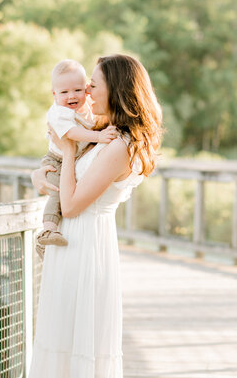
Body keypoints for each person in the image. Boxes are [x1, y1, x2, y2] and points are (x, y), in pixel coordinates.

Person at [29, 54, 162, 378]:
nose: (86, 90)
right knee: (60, 338)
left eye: (93, 84)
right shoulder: (103, 131)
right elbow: (64, 171)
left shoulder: (120, 144)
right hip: (72, 244)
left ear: (114, 89)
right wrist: (39, 173)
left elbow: (72, 205)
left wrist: (71, 150)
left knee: (77, 343)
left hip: (85, 247)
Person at [36, 59, 118, 257]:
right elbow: (71, 134)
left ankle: (49, 232)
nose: (71, 96)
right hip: (56, 160)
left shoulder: (85, 108)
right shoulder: (59, 113)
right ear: (54, 94)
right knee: (57, 193)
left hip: (69, 159)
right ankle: (47, 231)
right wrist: (98, 136)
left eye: (78, 90)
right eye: (64, 92)